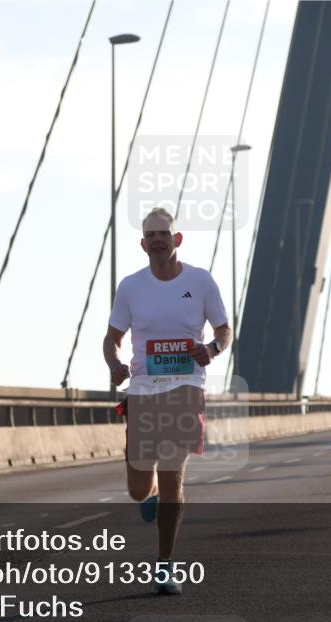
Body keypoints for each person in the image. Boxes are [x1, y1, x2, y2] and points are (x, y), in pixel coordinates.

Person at [104, 207, 231, 595]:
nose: (158, 239)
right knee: (139, 490)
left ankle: (164, 565)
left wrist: (212, 349)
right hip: (143, 391)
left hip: (185, 388)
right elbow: (112, 338)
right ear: (143, 245)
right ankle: (152, 494)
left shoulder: (200, 280)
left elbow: (224, 330)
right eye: (151, 235)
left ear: (177, 239)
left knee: (174, 473)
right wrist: (115, 364)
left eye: (164, 233)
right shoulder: (131, 287)